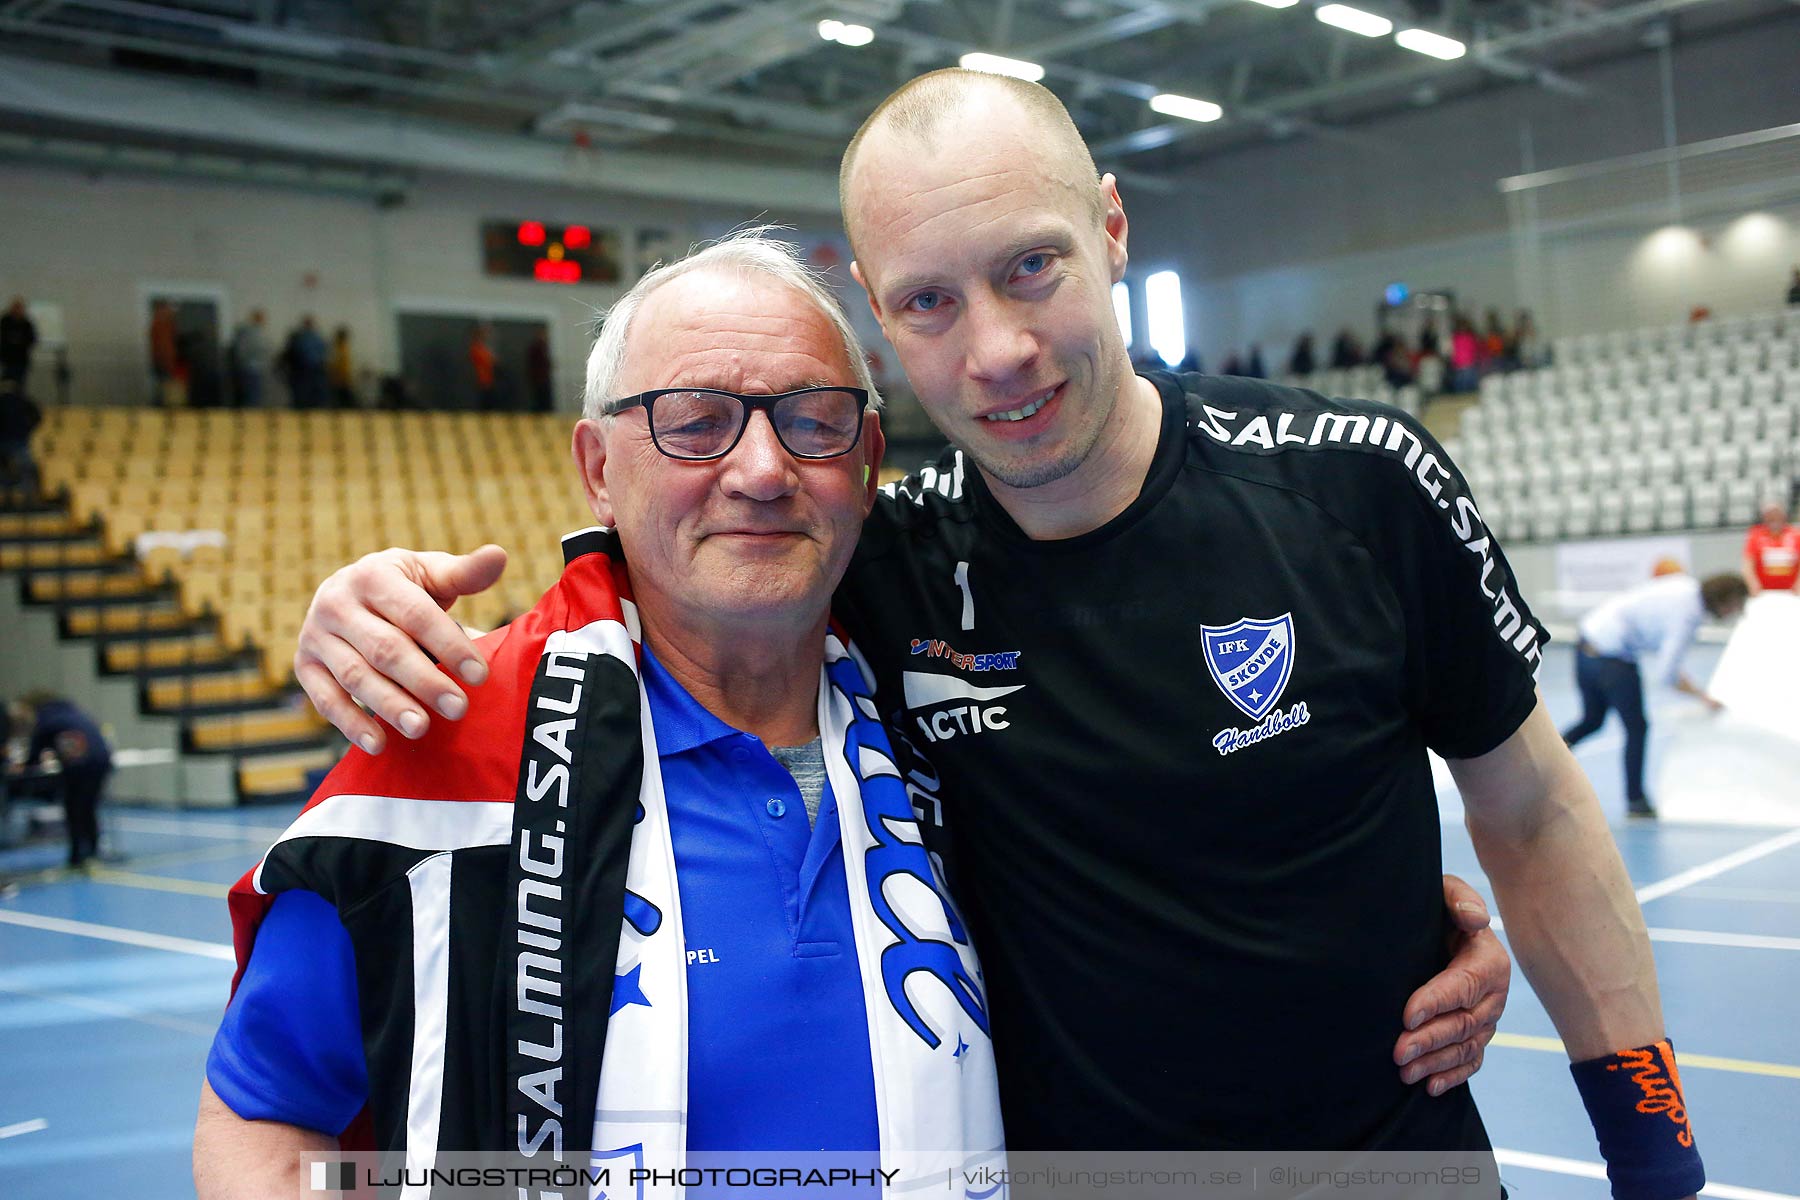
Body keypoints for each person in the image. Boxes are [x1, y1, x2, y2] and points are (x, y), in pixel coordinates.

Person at [293, 72, 1680, 1176]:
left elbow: (1535, 812)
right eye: (930, 303)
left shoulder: (1357, 484)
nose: (997, 352)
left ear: (1115, 228)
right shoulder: (871, 561)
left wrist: (1654, 1156)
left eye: (1031, 269)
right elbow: (662, 576)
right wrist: (356, 611)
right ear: (882, 311)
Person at [193, 235, 1004, 1194]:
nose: (761, 469)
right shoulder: (456, 752)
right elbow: (264, 1108)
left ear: (868, 460)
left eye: (814, 420)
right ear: (599, 470)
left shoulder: (960, 716)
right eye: (694, 422)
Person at [1561, 572, 1749, 818]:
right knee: (1637, 727)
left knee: (1592, 720)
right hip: (1612, 658)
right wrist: (1702, 696)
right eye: (1734, 606)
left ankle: (1547, 761)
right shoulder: (1687, 617)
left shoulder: (1684, 585)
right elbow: (1667, 674)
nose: (1733, 613)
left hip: (1586, 645)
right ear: (1723, 600)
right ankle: (1636, 801)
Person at [13, 691, 113, 868]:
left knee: (74, 809)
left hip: (81, 766)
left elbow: (35, 752)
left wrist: (24, 766)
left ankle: (77, 856)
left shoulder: (46, 719)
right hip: (101, 761)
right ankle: (92, 851)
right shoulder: (73, 711)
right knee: (88, 808)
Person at [1743, 502, 1799, 595]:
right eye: (1770, 515)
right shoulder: (1755, 535)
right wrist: (1753, 585)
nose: (1774, 518)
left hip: (1792, 592)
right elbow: (1748, 565)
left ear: (1784, 516)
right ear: (1764, 517)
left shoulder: (1796, 535)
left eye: (1777, 514)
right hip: (1764, 592)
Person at [227, 309, 269, 408]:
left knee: (251, 395)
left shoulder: (249, 332)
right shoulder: (251, 333)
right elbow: (244, 351)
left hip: (250, 367)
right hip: (250, 368)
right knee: (251, 397)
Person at [284, 316, 328, 410]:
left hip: (301, 370)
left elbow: (293, 353)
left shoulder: (299, 338)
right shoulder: (317, 338)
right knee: (313, 395)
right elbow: (324, 354)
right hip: (314, 369)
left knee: (301, 395)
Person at [0, 297, 37, 389]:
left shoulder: (26, 324)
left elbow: (32, 339)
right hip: (7, 359)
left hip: (21, 360)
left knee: (19, 385)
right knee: (6, 384)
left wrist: (19, 342)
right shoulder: (5, 322)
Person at [469, 321, 497, 410]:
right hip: (480, 382)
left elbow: (493, 362)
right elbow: (487, 361)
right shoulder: (476, 348)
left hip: (488, 382)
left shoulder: (484, 348)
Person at [327, 325, 355, 408]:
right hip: (339, 379)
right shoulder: (338, 348)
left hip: (342, 378)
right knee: (341, 401)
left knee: (343, 401)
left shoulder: (342, 347)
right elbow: (336, 364)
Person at [526, 327, 553, 412]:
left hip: (544, 378)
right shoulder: (535, 348)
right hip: (538, 378)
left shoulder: (544, 347)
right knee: (539, 398)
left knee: (545, 398)